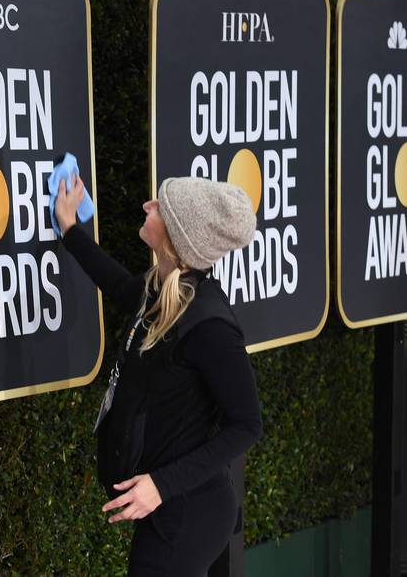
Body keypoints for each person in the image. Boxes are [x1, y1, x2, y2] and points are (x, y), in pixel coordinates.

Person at [54, 174, 263, 577]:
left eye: (160, 207)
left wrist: (161, 486)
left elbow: (247, 424)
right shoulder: (164, 293)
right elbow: (117, 284)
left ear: (176, 237)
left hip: (189, 514)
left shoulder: (209, 325)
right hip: (173, 509)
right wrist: (68, 228)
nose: (148, 206)